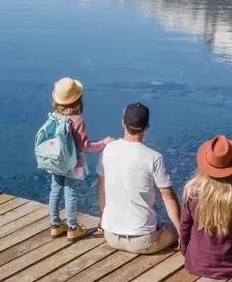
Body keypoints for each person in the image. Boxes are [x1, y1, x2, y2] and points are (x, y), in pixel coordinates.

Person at [97, 102, 180, 254]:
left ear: (123, 123)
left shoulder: (107, 149)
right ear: (146, 127)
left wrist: (104, 219)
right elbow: (169, 198)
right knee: (172, 231)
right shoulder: (154, 158)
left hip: (110, 235)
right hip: (142, 241)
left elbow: (102, 187)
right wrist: (182, 234)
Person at [179, 135, 232, 278]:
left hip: (195, 264)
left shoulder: (192, 192)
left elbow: (184, 227)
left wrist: (187, 253)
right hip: (229, 267)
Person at [47, 77, 114, 241]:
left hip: (54, 160)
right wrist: (103, 143)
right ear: (78, 99)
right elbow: (84, 146)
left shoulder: (53, 117)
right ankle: (72, 227)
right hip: (70, 163)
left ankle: (55, 225)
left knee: (55, 190)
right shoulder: (77, 120)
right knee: (70, 193)